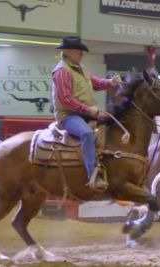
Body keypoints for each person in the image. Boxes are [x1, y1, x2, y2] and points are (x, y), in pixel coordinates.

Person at [51, 36, 121, 191]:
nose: (82, 54)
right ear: (68, 52)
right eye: (78, 51)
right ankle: (92, 175)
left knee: (111, 123)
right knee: (87, 133)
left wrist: (110, 83)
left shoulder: (80, 69)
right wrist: (88, 110)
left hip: (84, 113)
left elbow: (95, 83)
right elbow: (66, 99)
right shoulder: (62, 71)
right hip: (68, 116)